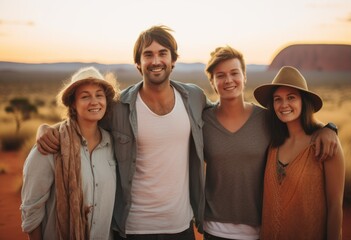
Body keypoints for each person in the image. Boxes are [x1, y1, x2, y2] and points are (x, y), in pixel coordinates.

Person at [35, 25, 210, 240]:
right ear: (138, 63)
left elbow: (222, 114)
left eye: (163, 53)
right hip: (133, 228)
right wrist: (47, 128)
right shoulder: (119, 107)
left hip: (181, 225)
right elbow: (83, 121)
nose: (156, 61)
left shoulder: (193, 97)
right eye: (148, 55)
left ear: (173, 60)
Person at [202, 46, 339, 240]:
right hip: (213, 229)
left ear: (244, 77)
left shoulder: (266, 118)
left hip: (259, 229)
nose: (228, 80)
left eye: (234, 73)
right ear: (213, 82)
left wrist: (329, 128)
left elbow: (299, 126)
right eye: (220, 75)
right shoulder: (203, 120)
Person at [20, 66, 118, 239]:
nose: (94, 101)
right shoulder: (50, 146)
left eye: (99, 95)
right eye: (85, 96)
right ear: (73, 103)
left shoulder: (113, 144)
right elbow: (31, 209)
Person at [253, 66, 345, 239]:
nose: (283, 105)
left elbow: (335, 206)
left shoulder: (325, 143)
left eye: (291, 97)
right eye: (277, 99)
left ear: (304, 101)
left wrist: (329, 128)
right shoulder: (271, 142)